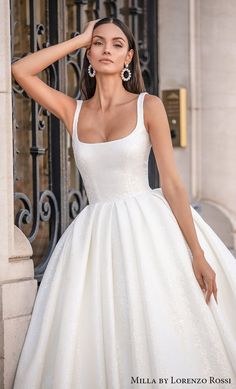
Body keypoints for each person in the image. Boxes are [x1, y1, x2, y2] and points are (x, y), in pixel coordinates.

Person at [11, 17, 236, 389]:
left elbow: (173, 184)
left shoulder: (149, 106)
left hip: (148, 228)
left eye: (117, 44)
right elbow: (21, 70)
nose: (106, 50)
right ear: (89, 54)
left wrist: (197, 252)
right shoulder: (74, 111)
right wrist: (78, 39)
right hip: (93, 237)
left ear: (129, 57)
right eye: (99, 43)